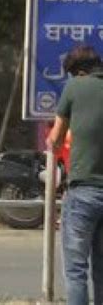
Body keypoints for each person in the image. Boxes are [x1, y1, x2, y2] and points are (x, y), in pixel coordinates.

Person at [46, 44, 103, 305]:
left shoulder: (75, 87)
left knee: (76, 268)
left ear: (78, 72)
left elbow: (55, 138)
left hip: (83, 191)